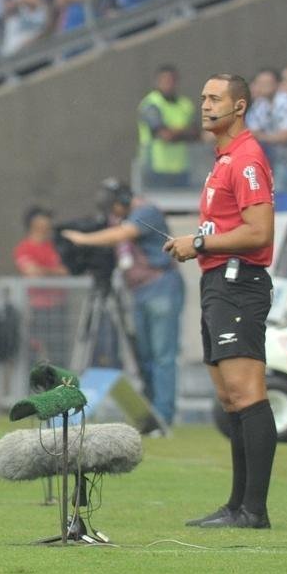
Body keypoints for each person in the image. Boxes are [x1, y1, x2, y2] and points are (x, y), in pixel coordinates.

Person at [164, 73, 276, 529]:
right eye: (203, 97)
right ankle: (237, 505)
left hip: (238, 282)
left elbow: (260, 232)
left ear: (240, 106)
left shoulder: (247, 158)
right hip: (218, 283)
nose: (205, 105)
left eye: (215, 98)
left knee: (248, 392)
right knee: (231, 399)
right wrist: (196, 243)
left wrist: (203, 244)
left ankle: (254, 510)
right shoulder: (223, 159)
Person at [63, 179, 184, 426]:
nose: (112, 215)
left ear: (124, 202)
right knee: (145, 355)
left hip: (160, 286)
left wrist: (83, 239)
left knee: (162, 355)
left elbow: (124, 234)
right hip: (138, 291)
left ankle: (163, 414)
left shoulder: (146, 211)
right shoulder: (122, 217)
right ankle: (150, 410)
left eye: (114, 208)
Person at [13, 205, 70, 364]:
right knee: (33, 356)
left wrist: (46, 271)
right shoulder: (24, 248)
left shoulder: (56, 247)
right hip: (37, 310)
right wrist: (53, 272)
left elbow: (66, 271)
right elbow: (31, 273)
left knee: (59, 355)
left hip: (58, 308)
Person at [138, 64, 200, 189]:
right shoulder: (151, 104)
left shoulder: (185, 104)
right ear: (157, 82)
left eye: (172, 81)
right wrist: (184, 132)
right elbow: (165, 135)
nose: (168, 84)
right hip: (156, 169)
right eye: (165, 81)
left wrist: (174, 132)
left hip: (181, 169)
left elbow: (196, 133)